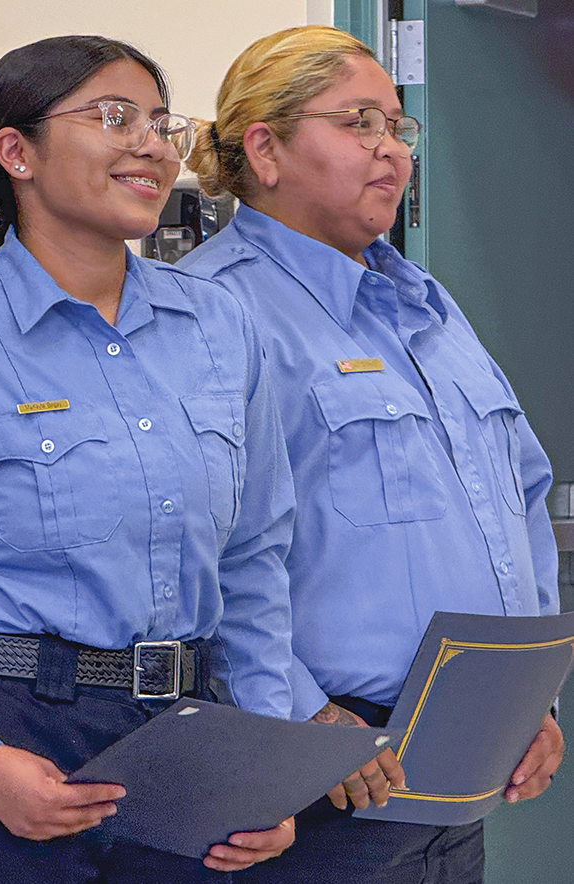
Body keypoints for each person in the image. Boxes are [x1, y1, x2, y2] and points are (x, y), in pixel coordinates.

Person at [0, 35, 298, 883]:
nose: (151, 144)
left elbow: (254, 563)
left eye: (160, 123)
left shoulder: (221, 330)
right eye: (114, 117)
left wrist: (265, 763)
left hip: (186, 746)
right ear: (15, 151)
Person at [178, 25, 564, 884]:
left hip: (462, 775)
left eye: (398, 127)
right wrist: (300, 717)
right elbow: (198, 553)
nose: (391, 151)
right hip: (324, 783)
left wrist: (531, 697)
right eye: (358, 123)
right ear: (266, 149)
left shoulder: (425, 304)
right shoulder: (209, 315)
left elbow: (521, 492)